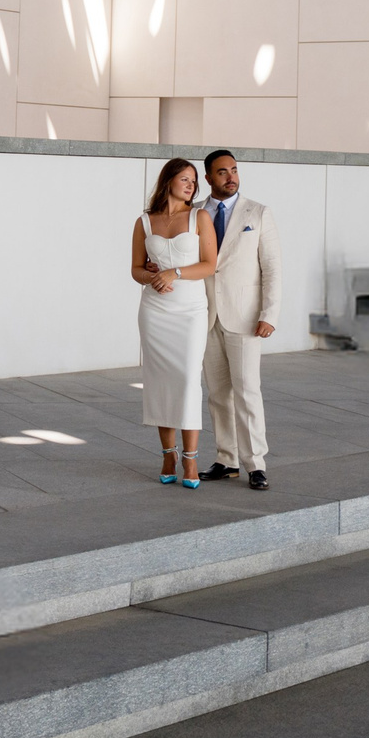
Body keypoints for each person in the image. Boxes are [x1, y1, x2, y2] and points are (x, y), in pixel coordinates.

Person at [130, 157, 218, 489]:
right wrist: (150, 277)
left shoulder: (199, 217)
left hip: (190, 310)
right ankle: (168, 454)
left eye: (194, 181)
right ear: (168, 181)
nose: (191, 185)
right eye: (185, 179)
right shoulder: (144, 221)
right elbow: (136, 269)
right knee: (160, 381)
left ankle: (190, 458)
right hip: (155, 311)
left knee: (187, 380)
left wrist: (174, 272)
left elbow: (209, 264)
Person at [195, 149, 280, 490]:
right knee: (218, 394)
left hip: (245, 317)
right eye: (222, 172)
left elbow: (272, 267)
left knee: (247, 391)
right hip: (205, 315)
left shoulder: (257, 212)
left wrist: (269, 314)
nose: (231, 177)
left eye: (234, 170)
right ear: (208, 178)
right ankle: (226, 460)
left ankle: (256, 464)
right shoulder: (194, 213)